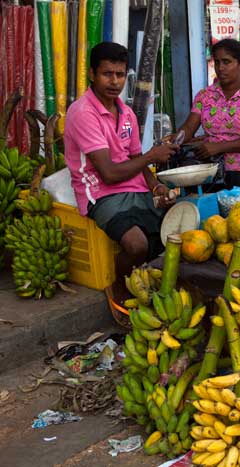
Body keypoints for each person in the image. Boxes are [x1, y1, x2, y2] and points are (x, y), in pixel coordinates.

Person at [63, 42, 179, 319]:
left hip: (136, 188)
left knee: (177, 231)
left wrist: (156, 186)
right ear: (92, 74)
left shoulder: (126, 114)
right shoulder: (83, 113)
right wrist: (153, 155)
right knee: (136, 245)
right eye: (107, 74)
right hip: (100, 193)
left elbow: (135, 157)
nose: (114, 82)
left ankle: (145, 281)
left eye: (119, 74)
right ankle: (118, 289)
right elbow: (110, 173)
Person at [173, 39, 240, 188]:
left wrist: (219, 147)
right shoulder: (205, 96)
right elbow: (188, 128)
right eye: (217, 62)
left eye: (227, 62)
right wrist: (175, 141)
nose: (220, 68)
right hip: (209, 169)